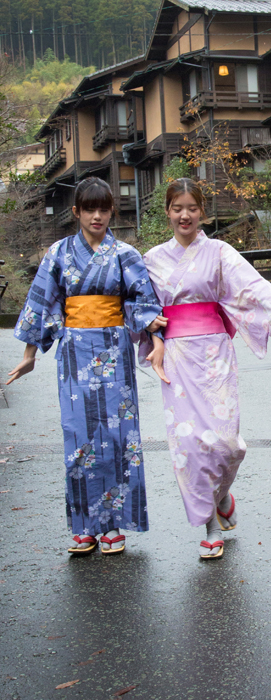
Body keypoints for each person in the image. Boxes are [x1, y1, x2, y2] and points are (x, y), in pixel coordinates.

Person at [8, 177, 163, 555]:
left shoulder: (125, 254)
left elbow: (142, 301)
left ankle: (114, 525)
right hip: (74, 350)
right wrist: (29, 355)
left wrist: (155, 335)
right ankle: (84, 525)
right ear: (76, 212)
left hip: (114, 349)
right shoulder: (58, 254)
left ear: (112, 211)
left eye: (104, 208)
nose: (97, 216)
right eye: (89, 209)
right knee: (79, 437)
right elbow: (42, 301)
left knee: (118, 436)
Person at [141, 178, 271, 560]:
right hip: (175, 356)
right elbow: (142, 306)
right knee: (189, 444)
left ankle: (221, 494)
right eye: (177, 208)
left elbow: (249, 286)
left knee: (225, 441)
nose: (185, 215)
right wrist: (151, 332)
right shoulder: (152, 259)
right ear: (168, 213)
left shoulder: (220, 252)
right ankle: (209, 527)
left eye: (192, 207)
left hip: (214, 353)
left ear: (202, 212)